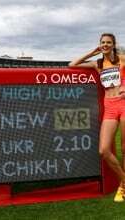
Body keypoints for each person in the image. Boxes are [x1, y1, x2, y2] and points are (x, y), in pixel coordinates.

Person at [69, 33, 125, 202]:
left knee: (124, 147)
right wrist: (91, 53)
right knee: (104, 150)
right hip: (109, 106)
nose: (105, 45)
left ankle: (122, 188)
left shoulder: (122, 59)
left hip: (124, 104)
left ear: (114, 44)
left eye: (108, 42)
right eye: (103, 42)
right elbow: (72, 64)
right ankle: (124, 180)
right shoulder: (97, 63)